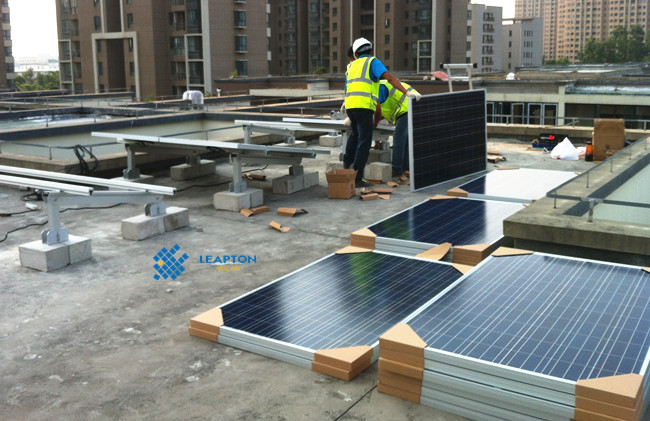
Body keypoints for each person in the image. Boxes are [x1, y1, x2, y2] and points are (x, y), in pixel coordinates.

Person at [343, 37, 420, 187]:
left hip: (350, 106)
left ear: (356, 54)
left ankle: (347, 163)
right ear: (371, 51)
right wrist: (406, 92)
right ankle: (357, 179)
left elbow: (347, 90)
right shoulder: (372, 61)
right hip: (364, 106)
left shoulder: (351, 66)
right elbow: (389, 77)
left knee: (355, 135)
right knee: (364, 142)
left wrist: (349, 109)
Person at [374, 80, 421, 178]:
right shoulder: (383, 85)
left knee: (399, 139)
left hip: (407, 109)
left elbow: (378, 109)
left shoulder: (380, 87)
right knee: (405, 141)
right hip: (414, 107)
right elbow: (384, 110)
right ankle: (406, 168)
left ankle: (396, 170)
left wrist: (375, 122)